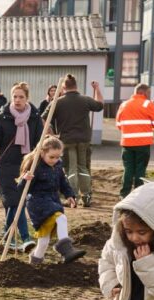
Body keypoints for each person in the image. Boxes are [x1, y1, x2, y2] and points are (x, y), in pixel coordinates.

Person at [0, 82, 41, 249]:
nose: (17, 100)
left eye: (21, 97)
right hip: (6, 165)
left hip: (26, 164)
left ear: (27, 98)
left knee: (17, 202)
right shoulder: (3, 117)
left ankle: (6, 235)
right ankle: (25, 238)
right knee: (15, 201)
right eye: (14, 97)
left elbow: (38, 141)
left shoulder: (34, 118)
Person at [18, 136, 87, 264]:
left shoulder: (57, 165)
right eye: (51, 157)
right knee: (61, 218)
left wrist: (69, 195)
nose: (55, 160)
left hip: (52, 201)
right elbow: (22, 189)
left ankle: (34, 263)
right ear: (42, 152)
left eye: (58, 157)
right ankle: (67, 251)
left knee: (44, 241)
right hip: (38, 204)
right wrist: (25, 179)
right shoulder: (35, 167)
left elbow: (63, 182)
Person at [49, 75, 104, 206]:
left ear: (63, 87)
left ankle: (71, 198)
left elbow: (43, 118)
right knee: (83, 168)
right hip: (84, 139)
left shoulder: (58, 101)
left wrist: (51, 135)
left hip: (66, 140)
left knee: (70, 169)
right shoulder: (85, 99)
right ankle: (86, 197)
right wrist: (97, 89)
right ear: (76, 86)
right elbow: (100, 105)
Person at [116, 83, 154, 197]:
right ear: (144, 92)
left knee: (128, 169)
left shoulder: (124, 104)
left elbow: (118, 124)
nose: (149, 95)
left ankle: (124, 194)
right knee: (140, 169)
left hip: (127, 143)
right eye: (149, 93)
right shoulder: (148, 104)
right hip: (143, 143)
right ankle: (138, 195)